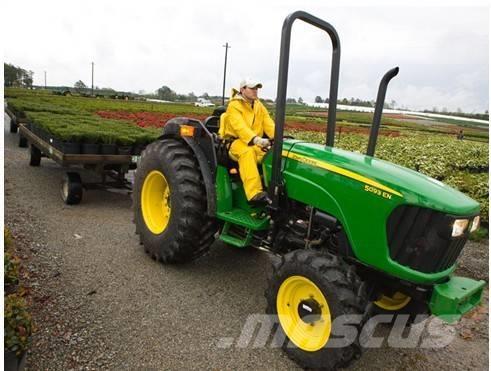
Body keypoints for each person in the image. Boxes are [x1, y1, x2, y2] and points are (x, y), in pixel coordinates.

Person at [219, 78, 275, 205]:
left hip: (256, 142)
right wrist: (256, 139)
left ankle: (275, 190)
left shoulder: (259, 105)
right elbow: (240, 128)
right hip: (236, 142)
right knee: (247, 152)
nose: (255, 91)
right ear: (242, 89)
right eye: (252, 88)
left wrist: (279, 137)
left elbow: (268, 123)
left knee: (273, 154)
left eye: (257, 89)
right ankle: (254, 194)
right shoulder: (234, 106)